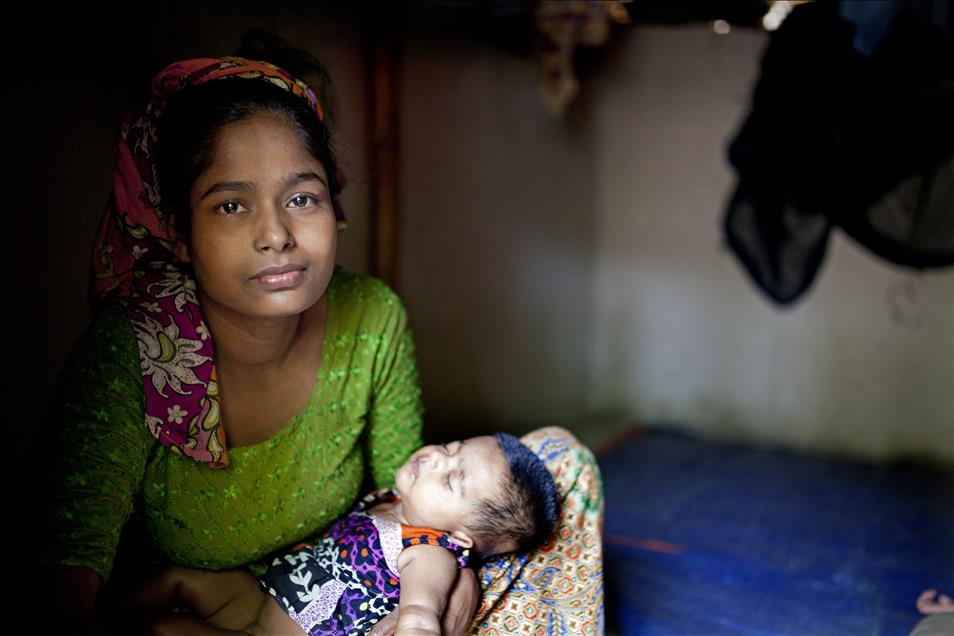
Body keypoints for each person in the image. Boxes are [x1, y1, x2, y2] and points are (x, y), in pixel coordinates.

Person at [25, 35, 604, 636]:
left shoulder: (372, 315)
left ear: (337, 210)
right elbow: (63, 570)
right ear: (178, 231)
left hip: (363, 608)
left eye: (302, 198)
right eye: (230, 206)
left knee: (561, 462)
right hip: (211, 615)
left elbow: (403, 491)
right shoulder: (136, 351)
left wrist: (446, 590)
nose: (275, 234)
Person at [110, 433, 560, 635]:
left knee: (164, 628)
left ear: (460, 538)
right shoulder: (385, 500)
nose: (435, 460)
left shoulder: (430, 553)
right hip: (263, 596)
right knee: (180, 578)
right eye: (448, 448)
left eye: (450, 481)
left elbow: (420, 615)